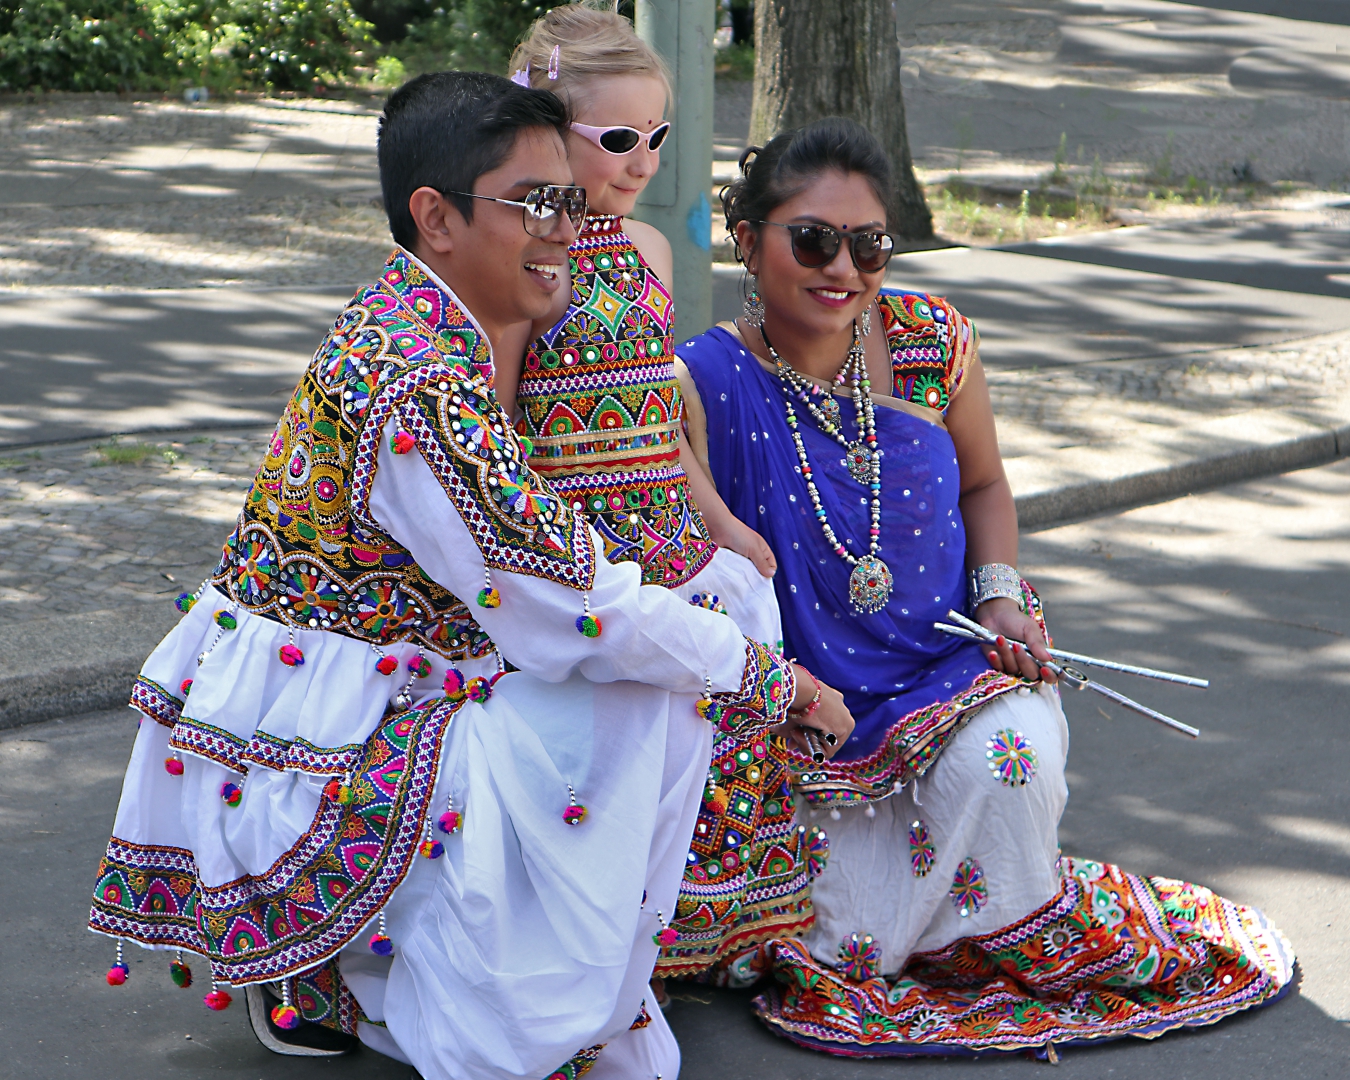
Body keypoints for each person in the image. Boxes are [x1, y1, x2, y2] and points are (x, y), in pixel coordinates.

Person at [87, 72, 852, 1080]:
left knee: (669, 652)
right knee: (645, 688)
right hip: (317, 738)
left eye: (568, 199)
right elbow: (578, 611)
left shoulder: (418, 317)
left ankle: (417, 967)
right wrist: (779, 681)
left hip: (365, 688)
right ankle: (398, 980)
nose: (566, 227)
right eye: (534, 203)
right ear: (435, 217)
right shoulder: (421, 384)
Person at [675, 117, 1294, 1057]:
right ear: (750, 242)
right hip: (810, 711)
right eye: (812, 239)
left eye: (868, 243)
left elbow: (985, 484)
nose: (843, 265)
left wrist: (1001, 595)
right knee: (842, 944)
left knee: (1011, 765)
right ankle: (942, 914)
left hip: (952, 666)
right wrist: (777, 691)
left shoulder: (933, 341)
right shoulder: (703, 381)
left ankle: (988, 908)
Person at [506, 4, 819, 994]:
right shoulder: (519, 264)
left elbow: (657, 411)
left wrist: (721, 519)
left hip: (673, 538)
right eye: (616, 139)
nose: (642, 160)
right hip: (585, 557)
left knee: (723, 719)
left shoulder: (647, 251)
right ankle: (612, 941)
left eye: (659, 137)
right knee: (622, 752)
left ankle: (714, 929)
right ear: (548, 135)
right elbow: (499, 434)